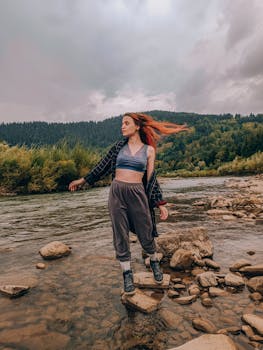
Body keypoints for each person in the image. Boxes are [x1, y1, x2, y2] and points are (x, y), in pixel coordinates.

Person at [69, 112, 187, 295]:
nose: (122, 126)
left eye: (126, 123)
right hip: (117, 193)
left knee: (145, 231)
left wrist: (160, 203)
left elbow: (151, 180)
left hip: (137, 194)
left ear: (137, 126)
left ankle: (154, 261)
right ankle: (127, 274)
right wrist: (83, 180)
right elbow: (101, 166)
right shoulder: (118, 147)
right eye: (122, 123)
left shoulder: (149, 151)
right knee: (120, 234)